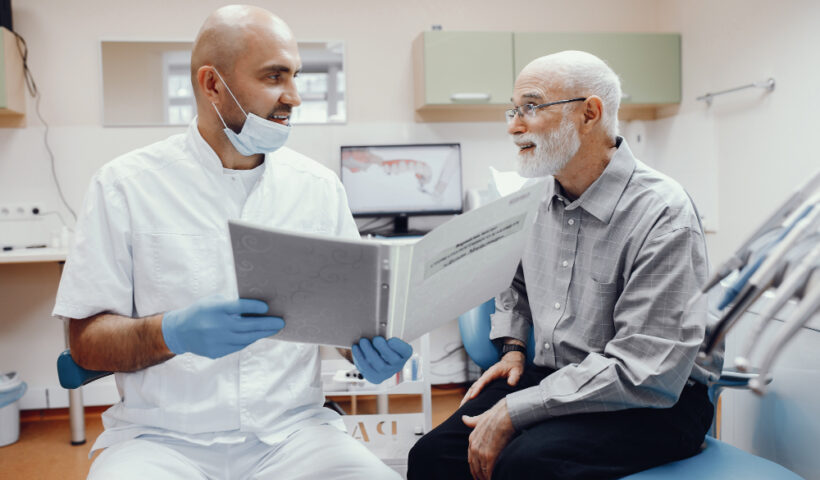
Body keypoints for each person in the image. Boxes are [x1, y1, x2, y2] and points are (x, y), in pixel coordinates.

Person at [53, 5, 408, 479]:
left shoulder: (318, 189)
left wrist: (367, 349)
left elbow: (346, 323)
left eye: (295, 76)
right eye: (274, 77)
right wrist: (171, 332)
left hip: (295, 435)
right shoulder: (124, 186)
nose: (294, 97)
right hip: (160, 441)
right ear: (213, 84)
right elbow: (85, 345)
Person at [408, 50, 723, 480]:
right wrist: (515, 346)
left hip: (656, 398)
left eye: (531, 107)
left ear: (590, 113)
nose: (513, 125)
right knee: (431, 458)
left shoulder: (662, 213)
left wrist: (514, 410)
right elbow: (512, 279)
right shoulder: (533, 196)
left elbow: (645, 371)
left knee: (527, 465)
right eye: (513, 110)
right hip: (559, 376)